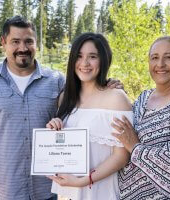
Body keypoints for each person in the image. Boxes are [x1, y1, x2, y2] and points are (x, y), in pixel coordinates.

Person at [0, 16, 122, 200]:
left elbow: (87, 101)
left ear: (36, 44)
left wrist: (106, 87)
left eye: (29, 41)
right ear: (3, 42)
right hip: (1, 190)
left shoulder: (58, 81)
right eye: (15, 41)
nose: (23, 48)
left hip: (45, 190)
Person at [111, 36, 170, 199]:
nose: (160, 64)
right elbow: (129, 128)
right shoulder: (143, 98)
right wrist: (117, 94)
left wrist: (135, 147)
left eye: (168, 57)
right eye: (154, 58)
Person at [46, 32, 131, 200]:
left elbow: (122, 156)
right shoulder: (66, 97)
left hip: (104, 194)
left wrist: (83, 181)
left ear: (103, 60)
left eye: (92, 56)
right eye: (79, 56)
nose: (84, 63)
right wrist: (55, 127)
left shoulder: (116, 98)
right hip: (75, 194)